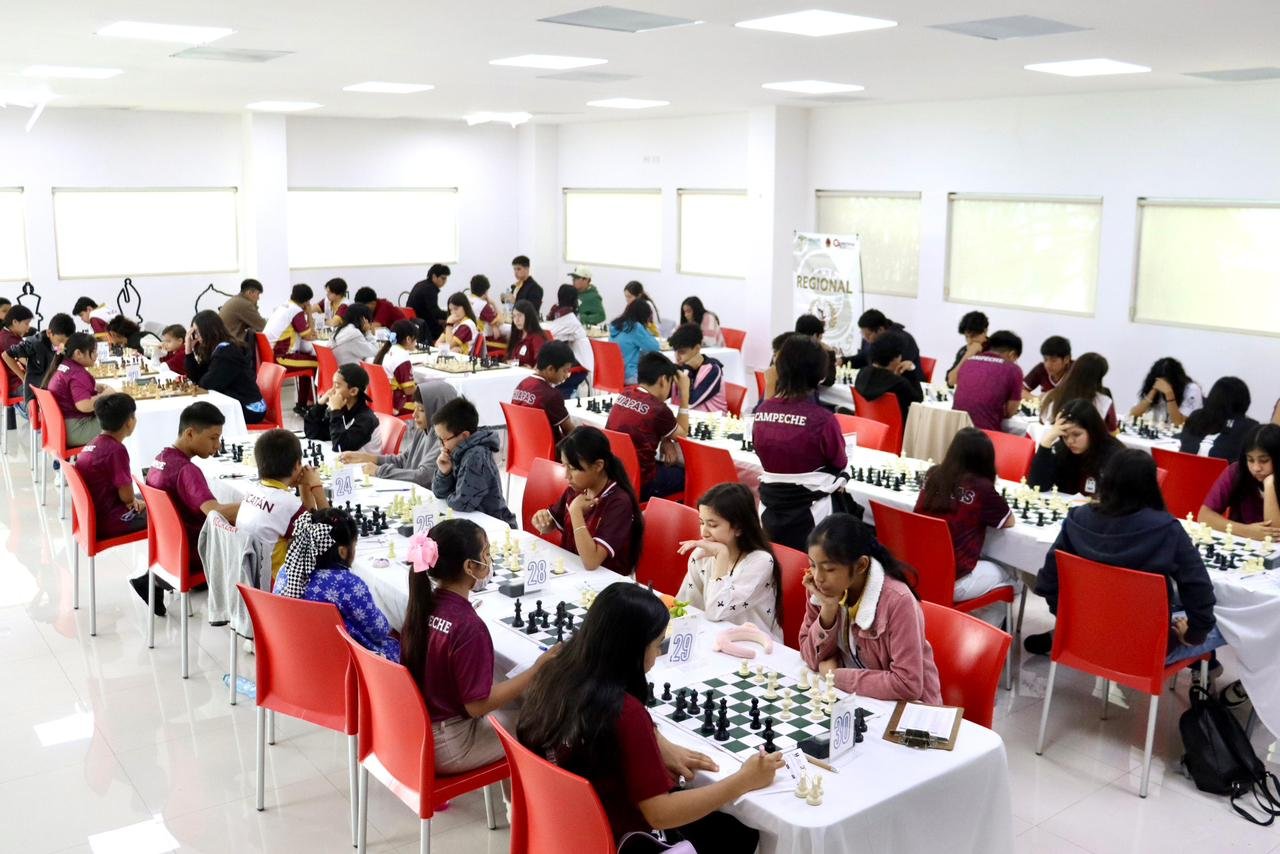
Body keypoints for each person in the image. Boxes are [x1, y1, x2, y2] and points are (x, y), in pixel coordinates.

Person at [518, 583, 774, 851]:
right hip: (618, 840)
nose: (658, 653)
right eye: (656, 644)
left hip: (565, 831)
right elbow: (659, 813)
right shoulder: (624, 712)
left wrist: (655, 738)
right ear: (631, 649)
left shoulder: (554, 675)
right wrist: (742, 781)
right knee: (739, 832)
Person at [1026, 449, 1222, 666]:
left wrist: (1068, 620)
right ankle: (1218, 682)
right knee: (1231, 624)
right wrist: (1193, 635)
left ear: (1106, 479)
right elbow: (1200, 590)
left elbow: (1047, 581)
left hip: (1083, 635)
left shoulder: (1078, 518)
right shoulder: (1167, 529)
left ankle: (1061, 634)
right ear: (1151, 485)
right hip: (1143, 651)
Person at [401, 518, 557, 773]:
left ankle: (515, 806)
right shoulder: (468, 626)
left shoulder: (422, 606)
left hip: (417, 730)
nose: (489, 559)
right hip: (449, 744)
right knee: (546, 721)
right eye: (485, 553)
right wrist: (536, 670)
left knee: (515, 702)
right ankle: (533, 809)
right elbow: (476, 706)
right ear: (470, 566)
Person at [800, 514, 942, 703]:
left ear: (860, 565)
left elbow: (907, 685)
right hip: (854, 698)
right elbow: (809, 656)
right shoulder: (821, 590)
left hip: (906, 711)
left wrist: (835, 675)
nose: (818, 577)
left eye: (829, 569)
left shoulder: (898, 601)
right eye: (812, 565)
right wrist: (828, 609)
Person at [753, 335, 853, 552]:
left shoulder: (762, 411)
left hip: (768, 509)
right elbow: (839, 461)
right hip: (812, 515)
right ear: (821, 373)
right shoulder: (822, 420)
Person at [914, 428, 1017, 624]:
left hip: (917, 571)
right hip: (952, 580)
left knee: (990, 568)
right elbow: (1009, 521)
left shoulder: (934, 475)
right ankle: (982, 647)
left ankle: (962, 627)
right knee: (1012, 578)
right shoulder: (982, 488)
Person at [275, 509, 399, 659]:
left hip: (294, 655)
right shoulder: (347, 584)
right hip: (344, 662)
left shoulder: (286, 570)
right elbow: (379, 630)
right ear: (342, 551)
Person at [145, 402, 241, 592]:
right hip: (195, 553)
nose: (217, 445)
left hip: (167, 550)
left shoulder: (159, 459)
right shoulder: (187, 470)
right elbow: (215, 513)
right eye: (213, 438)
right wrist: (255, 505)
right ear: (190, 433)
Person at [677, 483, 783, 638]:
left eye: (712, 525)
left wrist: (721, 555)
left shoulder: (761, 562)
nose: (704, 532)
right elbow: (688, 605)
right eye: (701, 522)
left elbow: (715, 611)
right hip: (711, 637)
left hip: (755, 646)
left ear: (738, 528)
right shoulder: (701, 554)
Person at [532, 426, 644, 573]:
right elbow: (551, 523)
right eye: (564, 465)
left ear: (598, 466)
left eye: (572, 468)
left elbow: (591, 561)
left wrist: (576, 512)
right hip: (571, 571)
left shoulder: (619, 502)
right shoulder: (576, 489)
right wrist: (543, 521)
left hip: (603, 583)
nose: (566, 475)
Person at [237, 428, 328, 579]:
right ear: (297, 465)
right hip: (276, 585)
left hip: (250, 580)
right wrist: (316, 486)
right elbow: (329, 535)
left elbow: (308, 518)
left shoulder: (253, 490)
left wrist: (304, 486)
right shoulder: (287, 504)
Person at [341, 382, 457, 488]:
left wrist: (379, 471)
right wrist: (367, 457)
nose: (414, 415)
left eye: (421, 410)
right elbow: (403, 460)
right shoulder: (424, 430)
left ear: (439, 411)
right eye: (415, 408)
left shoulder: (445, 441)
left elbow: (423, 477)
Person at [606, 352, 689, 500]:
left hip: (614, 475)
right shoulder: (659, 409)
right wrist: (684, 395)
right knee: (688, 474)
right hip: (643, 481)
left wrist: (666, 438)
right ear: (663, 380)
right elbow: (683, 435)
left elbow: (652, 422)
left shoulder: (626, 392)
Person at [431, 397, 517, 526]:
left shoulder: (476, 456)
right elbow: (438, 493)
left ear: (464, 436)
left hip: (495, 527)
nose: (442, 445)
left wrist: (450, 494)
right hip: (474, 521)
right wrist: (444, 473)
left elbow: (462, 504)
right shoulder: (457, 451)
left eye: (444, 439)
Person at [74, 393, 147, 540]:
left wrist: (137, 500)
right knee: (169, 511)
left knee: (149, 499)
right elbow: (127, 498)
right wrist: (137, 502)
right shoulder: (116, 450)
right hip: (110, 520)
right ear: (129, 422)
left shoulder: (93, 442)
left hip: (90, 516)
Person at [1197, 424, 1280, 542]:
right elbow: (1204, 516)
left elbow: (1275, 535)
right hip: (1241, 543)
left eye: (1264, 460)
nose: (1256, 468)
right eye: (1250, 460)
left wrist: (1269, 485)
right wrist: (1247, 531)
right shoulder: (1237, 471)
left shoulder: (1268, 481)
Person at [185, 310, 268, 425]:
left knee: (197, 417)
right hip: (240, 402)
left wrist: (201, 376)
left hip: (250, 409)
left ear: (208, 332)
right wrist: (188, 349)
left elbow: (207, 385)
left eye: (198, 333)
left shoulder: (226, 351)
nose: (197, 337)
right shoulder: (217, 348)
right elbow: (196, 379)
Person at [1028, 398, 1122, 497]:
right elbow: (1037, 486)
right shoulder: (1061, 449)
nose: (1070, 441)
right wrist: (1046, 442)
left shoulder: (1115, 456)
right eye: (1065, 436)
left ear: (1092, 430)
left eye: (1076, 434)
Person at [952, 330, 1024, 432]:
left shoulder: (969, 362)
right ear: (1012, 354)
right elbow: (1009, 412)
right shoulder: (1013, 369)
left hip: (955, 430)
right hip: (985, 436)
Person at [43, 332, 107, 446]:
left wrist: (93, 387)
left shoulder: (64, 366)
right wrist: (106, 395)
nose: (96, 355)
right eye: (93, 351)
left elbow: (69, 388)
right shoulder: (77, 373)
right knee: (121, 419)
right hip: (76, 430)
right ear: (78, 353)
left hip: (59, 428)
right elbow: (84, 405)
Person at [263, 283, 319, 409]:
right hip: (283, 357)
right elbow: (309, 336)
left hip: (272, 355)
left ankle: (304, 403)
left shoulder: (283, 306)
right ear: (306, 301)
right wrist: (309, 313)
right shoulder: (296, 311)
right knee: (318, 364)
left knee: (308, 360)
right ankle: (315, 406)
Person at [304, 363, 381, 453]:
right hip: (348, 464)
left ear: (353, 391)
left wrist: (336, 411)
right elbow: (312, 433)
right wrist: (320, 404)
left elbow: (340, 447)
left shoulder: (366, 419)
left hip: (366, 465)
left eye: (337, 386)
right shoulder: (343, 410)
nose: (331, 391)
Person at [3, 311, 73, 409]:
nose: (62, 345)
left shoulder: (67, 343)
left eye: (66, 342)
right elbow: (6, 355)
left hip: (56, 387)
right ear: (49, 333)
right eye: (60, 341)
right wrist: (23, 378)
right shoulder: (34, 343)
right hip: (38, 394)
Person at [1179, 377, 1258, 460]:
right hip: (1223, 472)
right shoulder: (1250, 427)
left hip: (1185, 470)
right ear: (1245, 401)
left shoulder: (1196, 417)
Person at [852, 332, 923, 425]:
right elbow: (918, 399)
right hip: (896, 431)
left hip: (866, 428)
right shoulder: (900, 384)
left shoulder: (862, 373)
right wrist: (912, 370)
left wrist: (895, 376)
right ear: (895, 358)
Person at [511, 341, 576, 440]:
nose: (567, 375)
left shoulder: (522, 384)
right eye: (565, 370)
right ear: (550, 369)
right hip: (549, 451)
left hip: (523, 446)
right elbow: (569, 431)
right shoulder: (552, 395)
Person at [1040, 352, 1117, 432]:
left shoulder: (1052, 395)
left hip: (1049, 441)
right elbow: (1112, 429)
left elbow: (1042, 422)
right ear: (1099, 377)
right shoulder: (1104, 402)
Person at [849, 309, 925, 384]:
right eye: (863, 334)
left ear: (880, 330)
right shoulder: (872, 339)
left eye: (868, 335)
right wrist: (844, 360)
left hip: (907, 384)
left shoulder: (901, 340)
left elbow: (897, 369)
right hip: (883, 381)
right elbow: (864, 357)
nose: (865, 338)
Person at [546, 284, 592, 399]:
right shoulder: (571, 320)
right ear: (575, 300)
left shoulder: (557, 316)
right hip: (581, 364)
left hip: (577, 363)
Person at [668, 323, 726, 413]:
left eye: (682, 352)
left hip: (711, 423)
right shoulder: (679, 367)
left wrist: (688, 369)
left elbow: (689, 403)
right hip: (685, 420)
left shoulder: (713, 370)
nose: (677, 357)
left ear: (697, 348)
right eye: (675, 351)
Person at [1130, 357, 1202, 427]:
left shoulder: (1192, 389)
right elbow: (1134, 415)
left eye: (1167, 381)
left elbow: (1178, 423)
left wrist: (1169, 394)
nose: (1162, 383)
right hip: (1158, 432)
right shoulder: (1155, 387)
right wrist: (1153, 390)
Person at [374, 319, 420, 416]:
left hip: (384, 401)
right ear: (408, 339)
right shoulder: (402, 357)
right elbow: (408, 390)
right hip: (399, 405)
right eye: (415, 339)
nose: (416, 343)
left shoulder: (388, 350)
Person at [608, 300, 660, 385]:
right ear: (644, 316)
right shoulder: (635, 327)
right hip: (629, 376)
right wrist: (645, 329)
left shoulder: (616, 326)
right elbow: (655, 347)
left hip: (613, 374)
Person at [407, 264, 450, 341]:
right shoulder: (430, 289)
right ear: (434, 276)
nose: (445, 281)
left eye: (446, 279)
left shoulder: (420, 284)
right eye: (443, 278)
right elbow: (435, 312)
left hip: (415, 322)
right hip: (424, 327)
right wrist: (450, 314)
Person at [944, 310, 988, 388]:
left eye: (973, 336)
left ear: (984, 331)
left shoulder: (994, 350)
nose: (970, 341)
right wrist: (968, 355)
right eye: (967, 337)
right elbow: (950, 380)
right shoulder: (964, 350)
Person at [218, 279, 267, 347]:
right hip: (233, 345)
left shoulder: (236, 300)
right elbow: (263, 326)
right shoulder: (245, 304)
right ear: (250, 293)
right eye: (258, 294)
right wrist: (254, 305)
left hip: (225, 342)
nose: (258, 298)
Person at [794, 314, 837, 387]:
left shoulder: (783, 348)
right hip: (805, 397)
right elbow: (828, 380)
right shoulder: (811, 355)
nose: (821, 342)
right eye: (820, 338)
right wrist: (830, 353)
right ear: (814, 336)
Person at [0, 305, 34, 392]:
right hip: (16, 384)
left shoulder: (6, 335)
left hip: (12, 383)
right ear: (15, 322)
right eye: (26, 323)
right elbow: (28, 361)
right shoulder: (9, 340)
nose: (28, 327)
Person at [759, 331, 800, 401]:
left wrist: (770, 385)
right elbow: (757, 410)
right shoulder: (778, 380)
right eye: (774, 355)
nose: (775, 360)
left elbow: (766, 411)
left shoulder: (799, 392)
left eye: (780, 356)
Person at [506, 299, 547, 368]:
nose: (516, 320)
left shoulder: (537, 337)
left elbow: (541, 363)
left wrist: (531, 370)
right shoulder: (517, 335)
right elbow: (516, 360)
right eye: (514, 316)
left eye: (519, 315)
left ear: (528, 316)